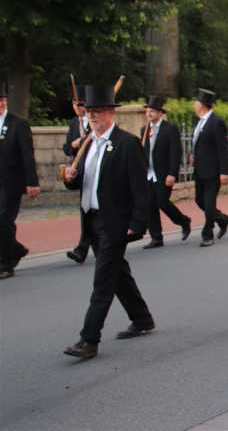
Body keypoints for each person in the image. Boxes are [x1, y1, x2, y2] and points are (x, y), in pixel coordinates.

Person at [62, 84, 154, 359]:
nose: (92, 116)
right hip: (91, 221)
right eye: (89, 111)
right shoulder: (88, 142)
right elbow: (83, 181)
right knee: (118, 274)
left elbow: (141, 189)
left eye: (98, 111)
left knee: (102, 281)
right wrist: (70, 178)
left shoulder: (127, 143)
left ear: (111, 113)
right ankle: (142, 318)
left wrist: (138, 224)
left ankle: (88, 339)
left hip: (114, 223)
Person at [0, 83, 41, 280]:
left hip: (11, 183)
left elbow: (27, 155)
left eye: (1, 100)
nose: (0, 104)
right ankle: (16, 250)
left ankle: (6, 264)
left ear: (5, 101)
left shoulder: (18, 124)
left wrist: (32, 182)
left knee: (4, 220)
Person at [140, 96, 191, 249]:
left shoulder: (170, 129)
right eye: (147, 111)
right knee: (150, 205)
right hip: (149, 174)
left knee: (162, 202)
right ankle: (156, 237)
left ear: (160, 113)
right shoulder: (144, 130)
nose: (149, 114)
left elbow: (176, 152)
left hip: (164, 174)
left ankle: (183, 221)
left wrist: (172, 173)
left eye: (152, 111)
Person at [191, 89, 228, 247]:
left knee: (208, 203)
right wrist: (193, 154)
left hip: (213, 171)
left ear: (202, 104)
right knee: (199, 201)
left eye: (196, 101)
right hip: (199, 169)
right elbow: (199, 143)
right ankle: (222, 219)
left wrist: (224, 172)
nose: (194, 104)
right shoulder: (199, 121)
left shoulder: (216, 122)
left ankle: (207, 234)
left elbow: (223, 148)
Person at [63, 85, 94, 264]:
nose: (77, 107)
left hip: (96, 169)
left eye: (80, 103)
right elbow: (67, 148)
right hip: (81, 172)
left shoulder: (94, 120)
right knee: (85, 209)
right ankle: (82, 248)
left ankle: (84, 248)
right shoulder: (74, 123)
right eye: (74, 103)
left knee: (94, 210)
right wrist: (73, 145)